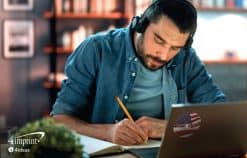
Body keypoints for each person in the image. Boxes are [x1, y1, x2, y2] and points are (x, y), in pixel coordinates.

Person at [51, 0, 226, 146]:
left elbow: (221, 114)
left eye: (175, 48)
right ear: (141, 25)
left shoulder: (186, 58)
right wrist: (109, 132)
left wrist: (170, 128)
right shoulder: (96, 49)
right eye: (159, 40)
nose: (163, 55)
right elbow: (59, 121)